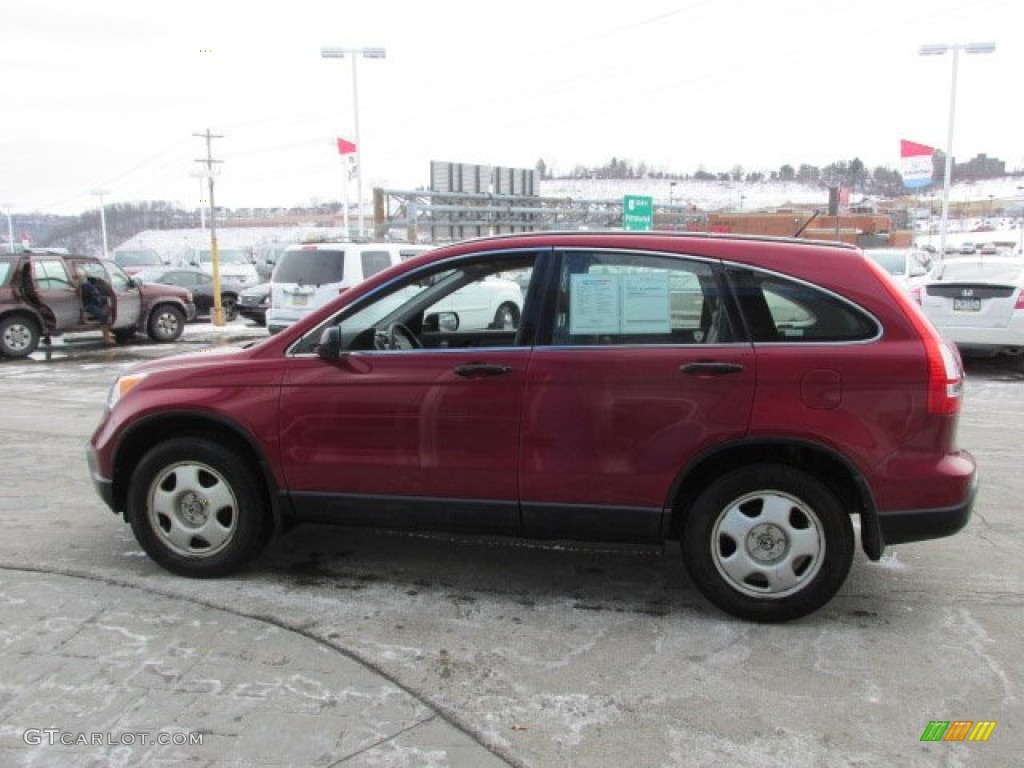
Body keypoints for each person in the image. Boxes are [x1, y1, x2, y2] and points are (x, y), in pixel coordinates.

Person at [79, 272, 115, 345]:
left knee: (105, 308)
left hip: (95, 302)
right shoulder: (87, 285)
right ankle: (106, 338)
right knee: (103, 315)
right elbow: (92, 296)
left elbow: (98, 297)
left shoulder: (95, 285)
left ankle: (106, 336)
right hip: (89, 305)